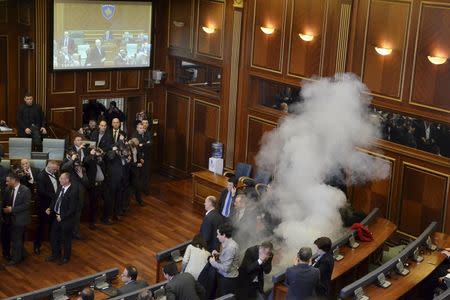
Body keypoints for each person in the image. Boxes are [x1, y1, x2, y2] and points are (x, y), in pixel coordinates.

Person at [46, 172, 78, 264]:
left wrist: (62, 216)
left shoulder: (73, 191)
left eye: (61, 178)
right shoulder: (60, 187)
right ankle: (55, 255)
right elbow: (55, 200)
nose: (59, 179)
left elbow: (72, 209)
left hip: (66, 219)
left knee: (66, 239)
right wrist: (50, 208)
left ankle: (65, 258)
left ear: (67, 180)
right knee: (54, 237)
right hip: (56, 217)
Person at [1, 172, 31, 265]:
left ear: (14, 180)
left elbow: (26, 205)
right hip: (9, 219)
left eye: (8, 181)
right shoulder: (8, 189)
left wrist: (12, 209)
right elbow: (4, 202)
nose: (6, 183)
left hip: (20, 219)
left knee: (16, 240)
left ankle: (15, 259)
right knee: (15, 239)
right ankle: (22, 253)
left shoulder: (25, 190)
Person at [34, 160, 59, 254]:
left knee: (53, 225)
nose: (55, 171)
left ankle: (53, 242)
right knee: (40, 226)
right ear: (49, 167)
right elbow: (42, 192)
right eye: (54, 169)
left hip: (53, 204)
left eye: (56, 169)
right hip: (43, 205)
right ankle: (37, 245)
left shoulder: (55, 173)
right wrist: (56, 196)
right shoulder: (41, 176)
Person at [209, 223, 240, 297]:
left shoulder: (230, 248)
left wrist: (212, 262)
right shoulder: (228, 243)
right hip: (225, 278)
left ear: (224, 235)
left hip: (228, 280)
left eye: (218, 234)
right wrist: (218, 254)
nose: (217, 236)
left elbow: (226, 268)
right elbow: (227, 258)